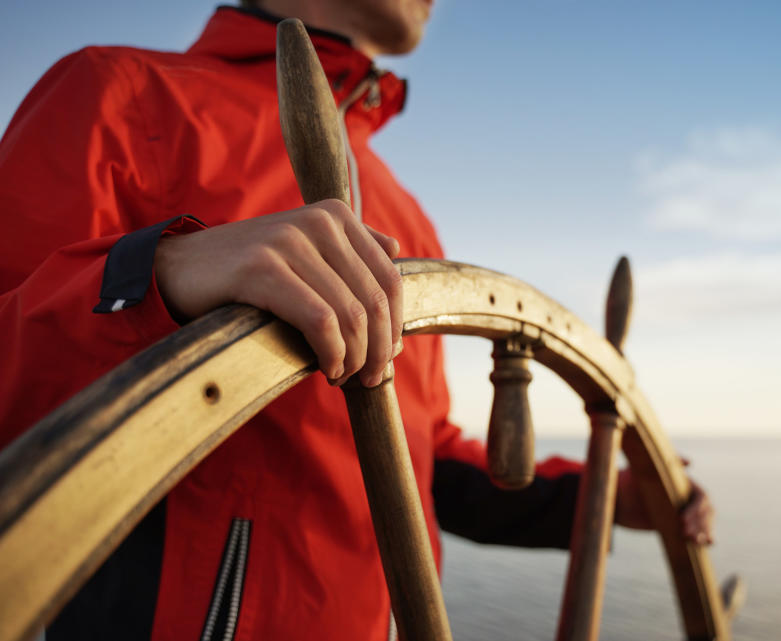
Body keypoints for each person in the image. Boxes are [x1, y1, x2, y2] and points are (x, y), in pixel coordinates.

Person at [0, 1, 715, 639]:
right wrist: (164, 273)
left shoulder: (406, 217)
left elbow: (422, 462)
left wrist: (601, 498)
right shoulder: (117, 93)